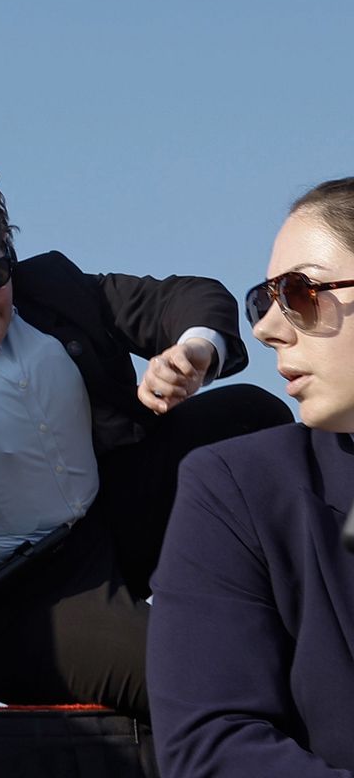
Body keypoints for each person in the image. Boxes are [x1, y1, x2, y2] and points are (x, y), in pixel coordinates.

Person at [0, 168, 288, 717]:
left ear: (9, 254)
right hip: (15, 605)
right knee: (209, 675)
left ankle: (272, 594)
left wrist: (194, 353)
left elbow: (186, 298)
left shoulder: (53, 288)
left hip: (105, 527)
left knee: (251, 416)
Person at [148, 177, 354, 776]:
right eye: (264, 301)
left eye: (300, 293)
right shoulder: (238, 492)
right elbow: (209, 746)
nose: (266, 328)